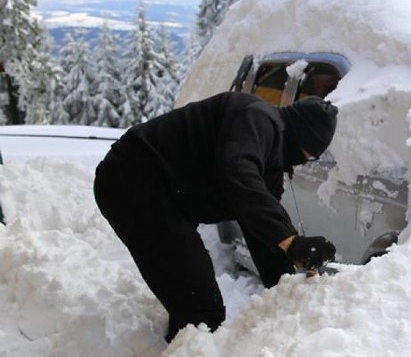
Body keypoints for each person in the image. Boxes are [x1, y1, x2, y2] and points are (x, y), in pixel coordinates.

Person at [94, 92, 338, 342]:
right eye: (309, 155)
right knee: (199, 307)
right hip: (134, 181)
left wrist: (286, 288)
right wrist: (290, 240)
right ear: (301, 138)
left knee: (198, 299)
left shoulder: (270, 157)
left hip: (161, 197)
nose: (305, 163)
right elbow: (238, 173)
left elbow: (259, 225)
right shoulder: (256, 117)